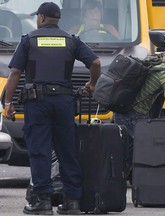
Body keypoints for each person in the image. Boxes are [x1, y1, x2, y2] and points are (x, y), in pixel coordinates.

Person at [4, 2, 101, 215]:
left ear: (41, 17)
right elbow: (95, 63)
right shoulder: (71, 40)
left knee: (40, 150)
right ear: (58, 19)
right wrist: (92, 84)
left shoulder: (29, 40)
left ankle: (42, 201)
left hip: (37, 103)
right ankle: (72, 202)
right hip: (65, 103)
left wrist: (8, 103)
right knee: (67, 151)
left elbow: (15, 73)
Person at [114, 49, 165, 178]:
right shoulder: (164, 72)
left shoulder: (155, 66)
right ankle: (148, 180)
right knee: (148, 149)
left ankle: (119, 178)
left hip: (122, 111)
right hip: (134, 115)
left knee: (127, 151)